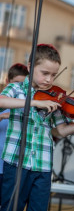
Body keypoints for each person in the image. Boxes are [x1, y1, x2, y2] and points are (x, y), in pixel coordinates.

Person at [0, 44, 74, 211]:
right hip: (16, 162)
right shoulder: (16, 89)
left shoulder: (53, 98)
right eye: (45, 73)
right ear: (30, 67)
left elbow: (61, 130)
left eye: (53, 75)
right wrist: (34, 102)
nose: (49, 80)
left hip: (43, 165)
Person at [0, 63, 29, 205]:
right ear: (7, 81)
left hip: (14, 167)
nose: (20, 88)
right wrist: (3, 115)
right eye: (16, 83)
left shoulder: (28, 107)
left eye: (24, 84)